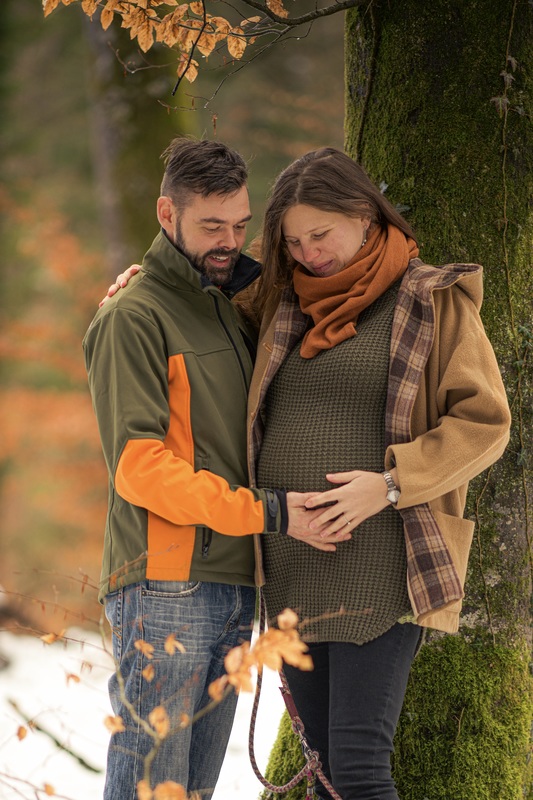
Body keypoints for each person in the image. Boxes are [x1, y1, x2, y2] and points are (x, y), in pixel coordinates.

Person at [110, 146, 511, 800]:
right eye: (292, 242)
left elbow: (483, 422)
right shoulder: (278, 301)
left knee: (356, 766)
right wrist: (143, 287)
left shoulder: (430, 299)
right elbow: (196, 312)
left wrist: (386, 484)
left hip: (382, 562)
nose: (307, 254)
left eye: (319, 235)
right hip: (291, 564)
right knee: (321, 766)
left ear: (363, 215)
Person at [83, 138, 344, 800]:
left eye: (237, 224)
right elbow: (139, 468)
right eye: (211, 226)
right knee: (151, 786)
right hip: (165, 584)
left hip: (235, 581)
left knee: (191, 791)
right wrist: (270, 511)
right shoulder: (134, 316)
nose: (228, 241)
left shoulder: (229, 308)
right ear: (167, 214)